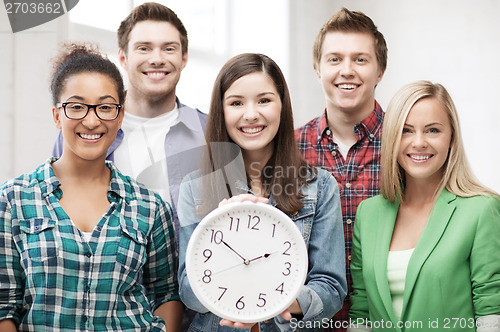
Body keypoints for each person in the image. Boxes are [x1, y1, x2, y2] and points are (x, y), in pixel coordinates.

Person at [0, 43, 182, 331]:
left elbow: (166, 294)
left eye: (106, 107)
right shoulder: (13, 199)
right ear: (57, 115)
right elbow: (4, 305)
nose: (92, 119)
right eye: (76, 106)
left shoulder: (150, 206)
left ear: (120, 115)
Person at [176, 53, 347, 331]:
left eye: (264, 100)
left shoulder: (321, 186)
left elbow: (331, 290)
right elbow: (188, 292)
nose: (251, 114)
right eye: (236, 103)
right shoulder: (195, 187)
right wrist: (219, 224)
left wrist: (268, 302)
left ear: (282, 106)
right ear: (222, 110)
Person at [348, 81, 500, 331]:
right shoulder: (369, 213)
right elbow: (361, 309)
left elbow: (491, 310)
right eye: (406, 130)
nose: (419, 142)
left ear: (451, 137)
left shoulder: (483, 210)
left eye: (432, 130)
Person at [52, 2, 207, 240]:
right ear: (123, 58)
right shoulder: (85, 131)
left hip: (192, 274)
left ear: (184, 58)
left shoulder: (209, 131)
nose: (156, 59)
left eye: (169, 49)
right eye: (144, 48)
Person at [294, 7, 387, 331]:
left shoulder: (405, 148)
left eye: (360, 59)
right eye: (334, 59)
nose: (346, 70)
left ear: (380, 70)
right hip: (308, 323)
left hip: (385, 319)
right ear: (318, 69)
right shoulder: (289, 150)